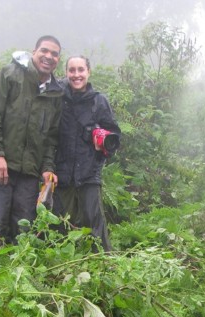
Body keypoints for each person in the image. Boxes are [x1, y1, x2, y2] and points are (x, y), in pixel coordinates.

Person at [0, 35, 64, 243]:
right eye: (44, 51)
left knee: (24, 231)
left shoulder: (55, 93)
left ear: (58, 59)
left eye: (54, 54)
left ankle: (17, 275)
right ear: (34, 52)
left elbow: (51, 137)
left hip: (29, 173)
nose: (49, 57)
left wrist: (48, 167)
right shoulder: (10, 75)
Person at [53, 55, 121, 251]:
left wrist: (104, 141)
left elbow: (114, 136)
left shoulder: (99, 101)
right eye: (72, 70)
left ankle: (104, 268)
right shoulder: (58, 98)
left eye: (80, 70)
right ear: (66, 73)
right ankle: (61, 271)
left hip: (89, 172)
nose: (76, 75)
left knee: (94, 225)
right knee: (59, 225)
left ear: (88, 72)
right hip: (62, 172)